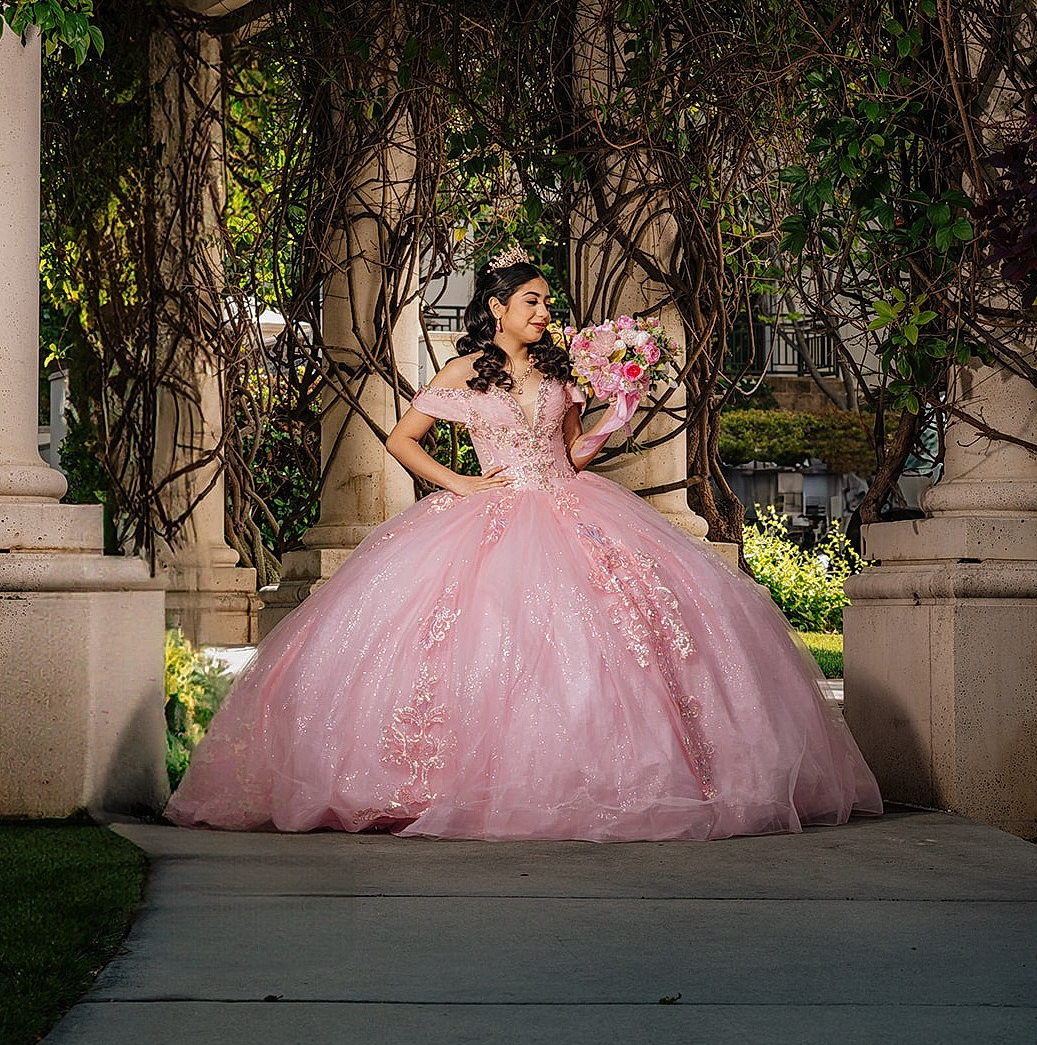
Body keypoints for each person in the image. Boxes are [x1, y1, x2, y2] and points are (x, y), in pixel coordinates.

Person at [166, 249, 882, 839]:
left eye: (546, 302)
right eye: (532, 301)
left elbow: (572, 455)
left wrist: (618, 414)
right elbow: (401, 440)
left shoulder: (563, 373)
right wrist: (464, 485)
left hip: (569, 505)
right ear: (498, 309)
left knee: (615, 630)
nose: (544, 312)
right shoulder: (458, 372)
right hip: (491, 510)